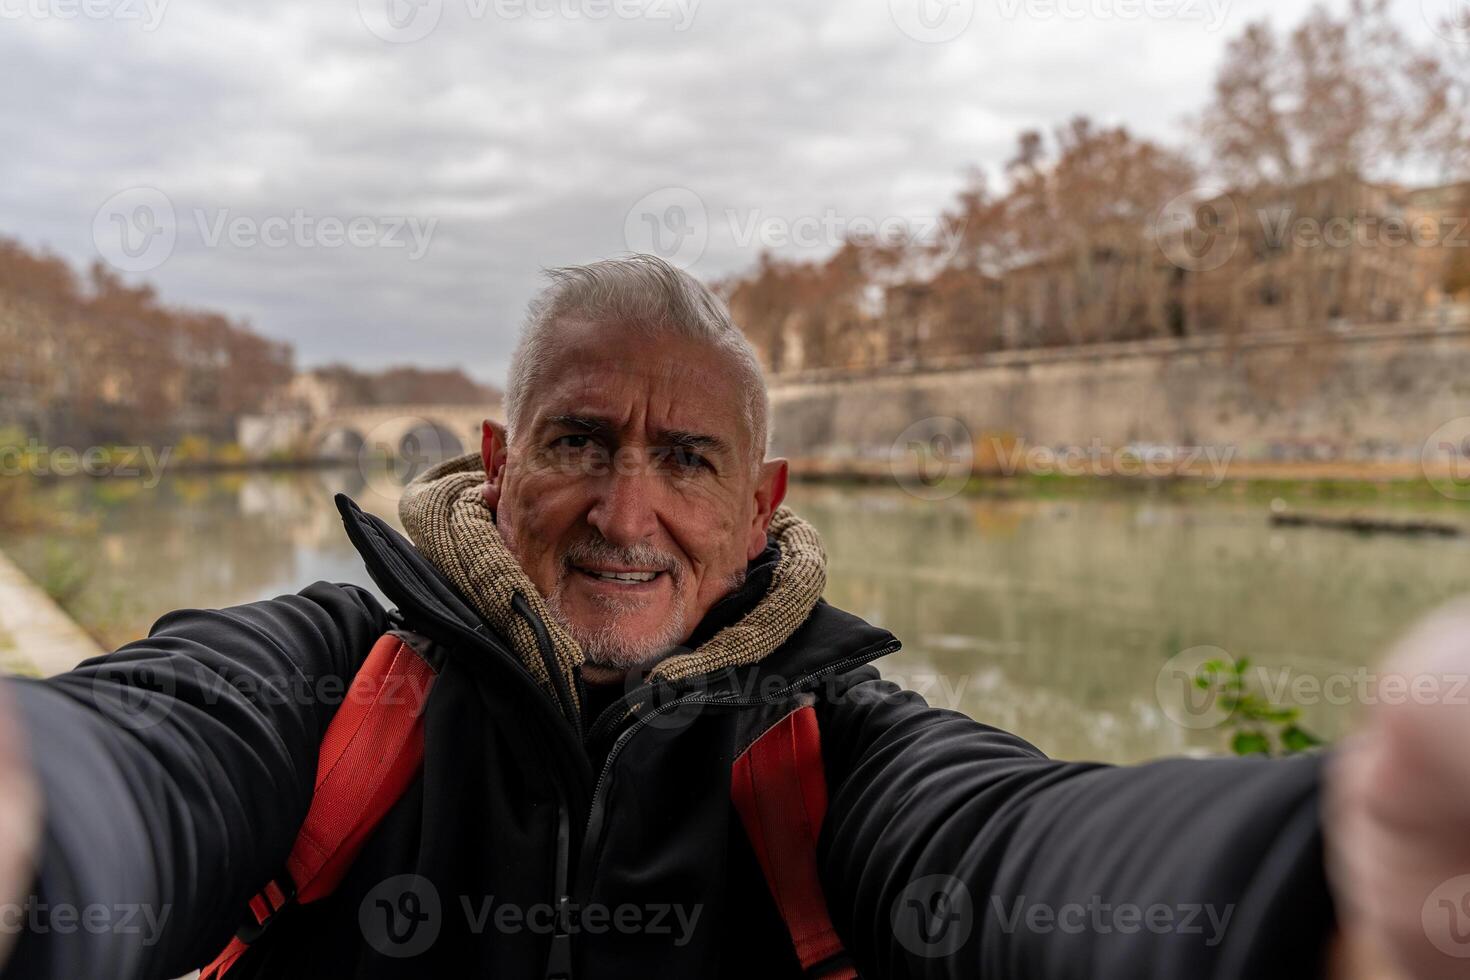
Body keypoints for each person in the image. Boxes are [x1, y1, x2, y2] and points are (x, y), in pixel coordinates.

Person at [0, 254, 1462, 979]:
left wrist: (1311, 884)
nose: (627, 514)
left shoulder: (835, 754)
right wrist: (36, 819)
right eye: (579, 442)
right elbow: (152, 748)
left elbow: (1013, 842)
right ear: (499, 471)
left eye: (685, 458)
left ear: (761, 504)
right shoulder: (329, 681)